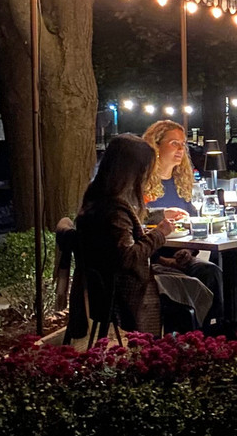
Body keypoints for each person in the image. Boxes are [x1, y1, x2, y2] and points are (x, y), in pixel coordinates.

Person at [75, 134, 214, 334]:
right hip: (128, 289)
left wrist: (165, 258)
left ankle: (205, 335)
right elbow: (128, 257)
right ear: (132, 171)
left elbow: (116, 247)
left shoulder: (97, 197)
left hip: (110, 284)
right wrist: (160, 233)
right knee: (200, 282)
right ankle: (199, 339)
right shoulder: (114, 210)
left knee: (205, 271)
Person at [142, 120, 228, 335]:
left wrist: (189, 251)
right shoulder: (141, 184)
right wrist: (163, 215)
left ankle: (211, 332)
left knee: (215, 267)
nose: (181, 149)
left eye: (183, 144)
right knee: (210, 273)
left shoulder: (181, 184)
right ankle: (198, 336)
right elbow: (138, 223)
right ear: (156, 146)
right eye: (174, 143)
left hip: (183, 254)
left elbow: (192, 223)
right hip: (154, 258)